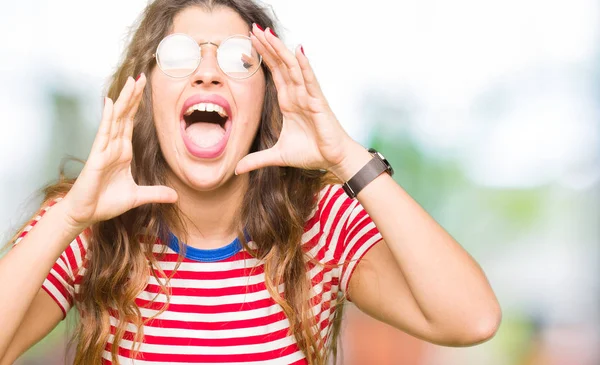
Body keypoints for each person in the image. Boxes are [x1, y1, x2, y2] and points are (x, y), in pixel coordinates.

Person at [0, 0, 501, 364]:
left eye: (239, 59)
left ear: (266, 99)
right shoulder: (89, 223)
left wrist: (346, 156)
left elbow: (472, 319)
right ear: (148, 93)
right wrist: (68, 218)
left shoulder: (319, 222)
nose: (208, 74)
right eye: (179, 55)